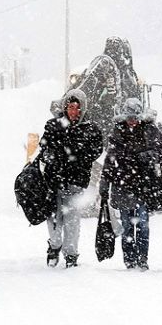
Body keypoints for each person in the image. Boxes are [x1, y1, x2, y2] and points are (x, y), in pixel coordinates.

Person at [99, 98, 162, 271]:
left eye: (135, 117)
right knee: (127, 225)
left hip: (142, 185)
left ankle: (142, 259)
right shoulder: (117, 132)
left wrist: (146, 156)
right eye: (129, 117)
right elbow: (110, 160)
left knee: (142, 225)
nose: (132, 121)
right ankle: (129, 260)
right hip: (123, 185)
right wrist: (104, 184)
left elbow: (160, 150)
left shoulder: (151, 130)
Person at [39, 89, 103, 268]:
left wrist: (76, 155)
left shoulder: (91, 129)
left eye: (78, 107)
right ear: (65, 107)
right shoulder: (53, 126)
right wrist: (55, 156)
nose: (74, 112)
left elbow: (96, 150)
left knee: (72, 221)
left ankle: (71, 254)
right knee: (53, 220)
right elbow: (44, 148)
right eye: (71, 107)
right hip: (53, 183)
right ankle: (54, 246)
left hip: (76, 183)